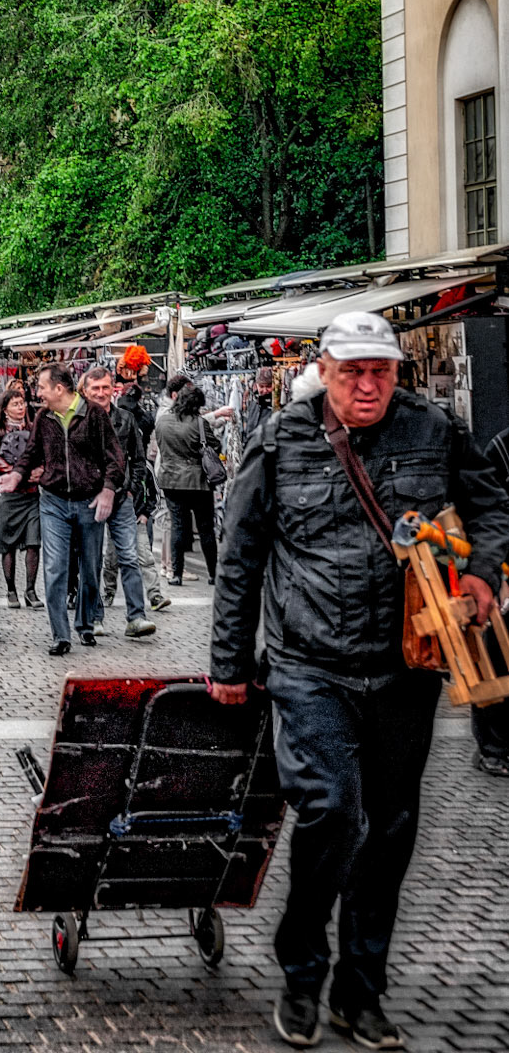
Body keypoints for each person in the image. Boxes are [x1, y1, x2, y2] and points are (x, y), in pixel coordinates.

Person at [209, 308, 509, 1051]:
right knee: (333, 812)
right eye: (354, 373)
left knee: (392, 830)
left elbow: (491, 505)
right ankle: (304, 974)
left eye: (380, 372)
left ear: (396, 374)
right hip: (309, 664)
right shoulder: (280, 439)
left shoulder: (436, 428)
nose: (368, 386)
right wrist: (228, 665)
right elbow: (239, 557)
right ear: (328, 371)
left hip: (407, 667)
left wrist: (478, 574)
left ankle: (360, 990)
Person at [16, 362, 127, 655]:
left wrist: (107, 490)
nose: (37, 392)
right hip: (53, 501)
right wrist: (16, 474)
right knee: (54, 568)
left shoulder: (94, 416)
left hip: (89, 500)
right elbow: (31, 452)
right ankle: (60, 635)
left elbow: (116, 458)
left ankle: (85, 624)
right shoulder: (43, 417)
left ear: (59, 388)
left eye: (41, 387)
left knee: (90, 568)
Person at [99, 364, 169, 616]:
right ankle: (106, 594)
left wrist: (142, 507)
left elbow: (144, 475)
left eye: (105, 387)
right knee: (112, 557)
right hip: (106, 501)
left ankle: (153, 596)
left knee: (140, 555)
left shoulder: (127, 424)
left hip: (131, 506)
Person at [471, 422, 509, 776]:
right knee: (496, 659)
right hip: (506, 574)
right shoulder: (503, 449)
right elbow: (487, 512)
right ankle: (493, 747)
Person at [157, 380, 222, 585]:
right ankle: (213, 573)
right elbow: (214, 446)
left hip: (170, 481)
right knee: (205, 528)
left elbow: (161, 445)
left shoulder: (163, 421)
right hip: (198, 482)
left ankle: (176, 573)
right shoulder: (199, 423)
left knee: (178, 526)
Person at [0, 384, 42, 607]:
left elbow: (43, 453)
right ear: (5, 409)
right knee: (7, 544)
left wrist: (39, 470)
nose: (21, 407)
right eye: (16, 404)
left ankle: (30, 590)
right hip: (9, 496)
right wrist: (14, 473)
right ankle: (11, 590)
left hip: (31, 495)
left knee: (33, 543)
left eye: (22, 404)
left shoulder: (34, 429)